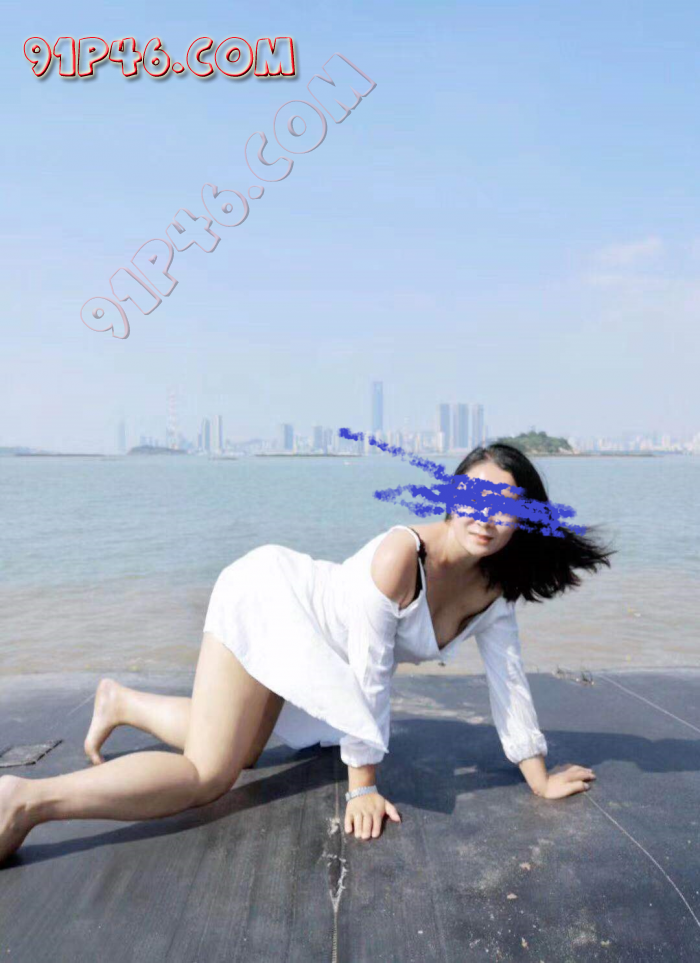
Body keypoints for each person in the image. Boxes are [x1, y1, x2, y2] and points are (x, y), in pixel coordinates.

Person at [0, 444, 613, 863]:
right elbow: (371, 673)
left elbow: (509, 680)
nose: (486, 517)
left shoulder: (495, 586)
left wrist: (538, 777)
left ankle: (122, 702)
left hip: (320, 649)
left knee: (244, 749)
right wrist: (361, 787)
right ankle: (27, 800)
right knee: (211, 774)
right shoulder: (403, 555)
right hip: (275, 600)